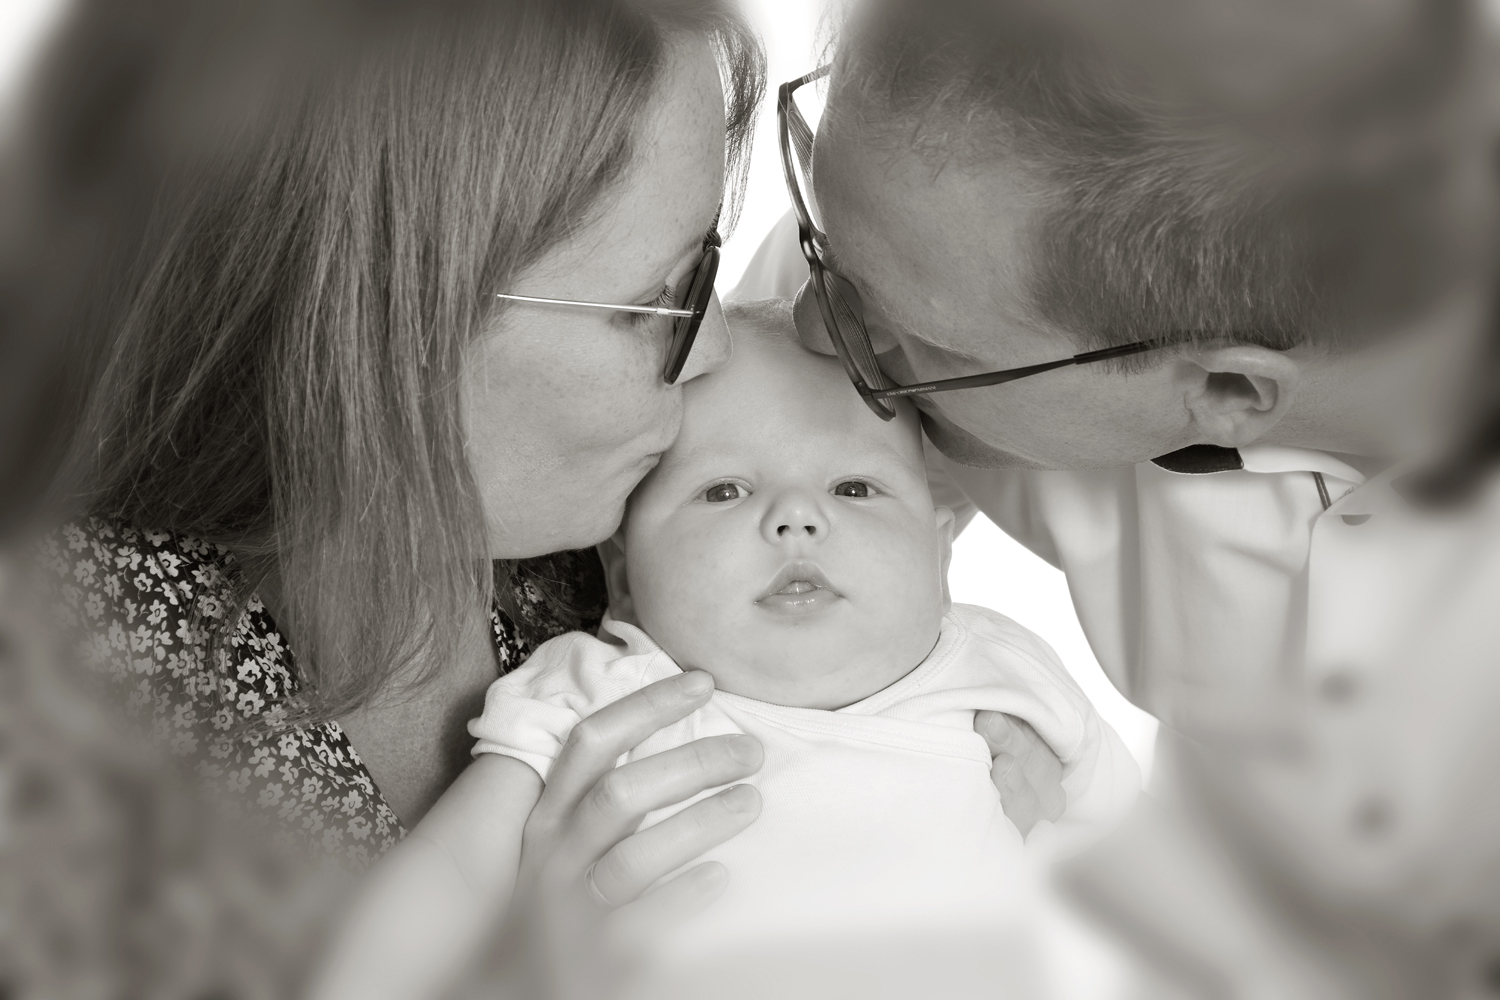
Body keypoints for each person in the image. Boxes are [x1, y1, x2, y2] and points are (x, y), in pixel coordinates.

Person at [8, 0, 788, 992]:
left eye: (709, 261)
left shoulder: (614, 537)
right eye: (654, 303)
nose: (711, 350)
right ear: (383, 323)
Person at [733, 0, 1500, 996]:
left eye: (920, 344)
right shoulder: (933, 235)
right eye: (824, 238)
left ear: (1227, 392)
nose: (812, 332)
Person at [312, 301, 1139, 1000]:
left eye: (854, 487)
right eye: (724, 490)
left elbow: (1139, 873)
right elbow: (452, 874)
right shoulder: (604, 690)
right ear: (622, 575)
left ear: (940, 549)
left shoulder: (1003, 679)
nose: (797, 517)